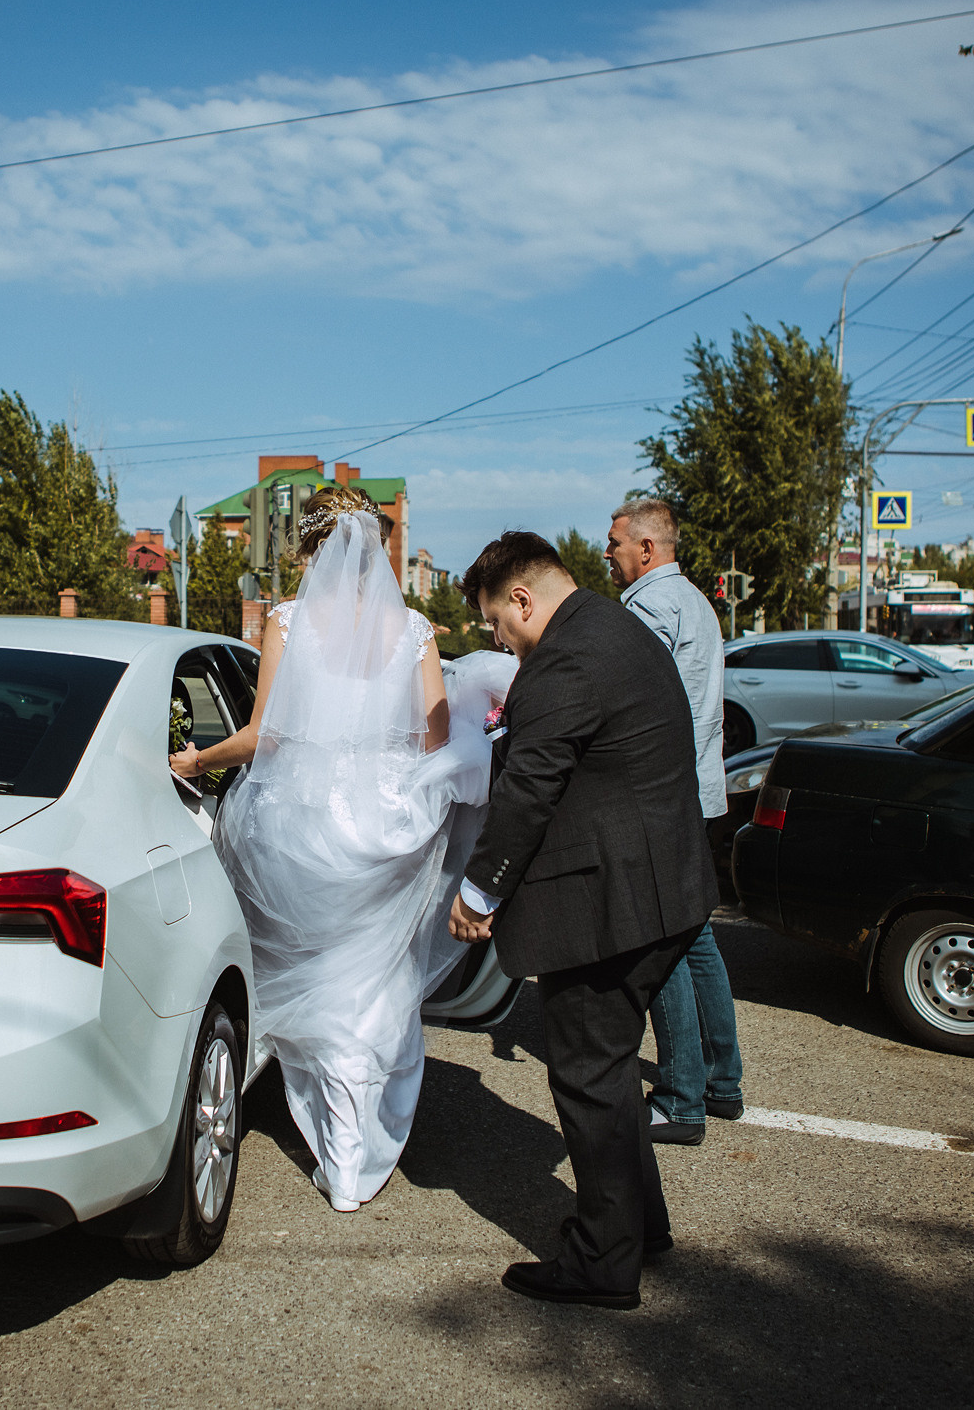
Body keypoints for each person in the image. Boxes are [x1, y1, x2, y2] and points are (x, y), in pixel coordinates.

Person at [172, 487, 511, 1213]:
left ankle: (338, 1144)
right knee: (373, 979)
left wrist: (197, 761)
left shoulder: (288, 621)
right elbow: (433, 741)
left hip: (300, 827)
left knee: (316, 973)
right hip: (386, 829)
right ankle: (353, 1155)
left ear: (311, 551)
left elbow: (265, 736)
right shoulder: (413, 628)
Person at [448, 532, 718, 1310]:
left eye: (497, 620)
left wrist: (478, 893)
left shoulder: (564, 660)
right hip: (662, 886)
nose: (498, 637)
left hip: (611, 904)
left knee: (589, 1075)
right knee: (610, 1069)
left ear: (523, 598)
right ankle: (640, 1226)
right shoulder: (613, 624)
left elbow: (530, 788)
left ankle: (602, 1263)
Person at [604, 499, 745, 1147]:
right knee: (694, 938)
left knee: (657, 942)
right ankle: (721, 1082)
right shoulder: (695, 601)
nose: (608, 553)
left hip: (659, 797)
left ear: (646, 549)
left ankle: (681, 1099)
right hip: (698, 791)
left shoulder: (650, 606)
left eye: (615, 543)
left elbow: (627, 703)